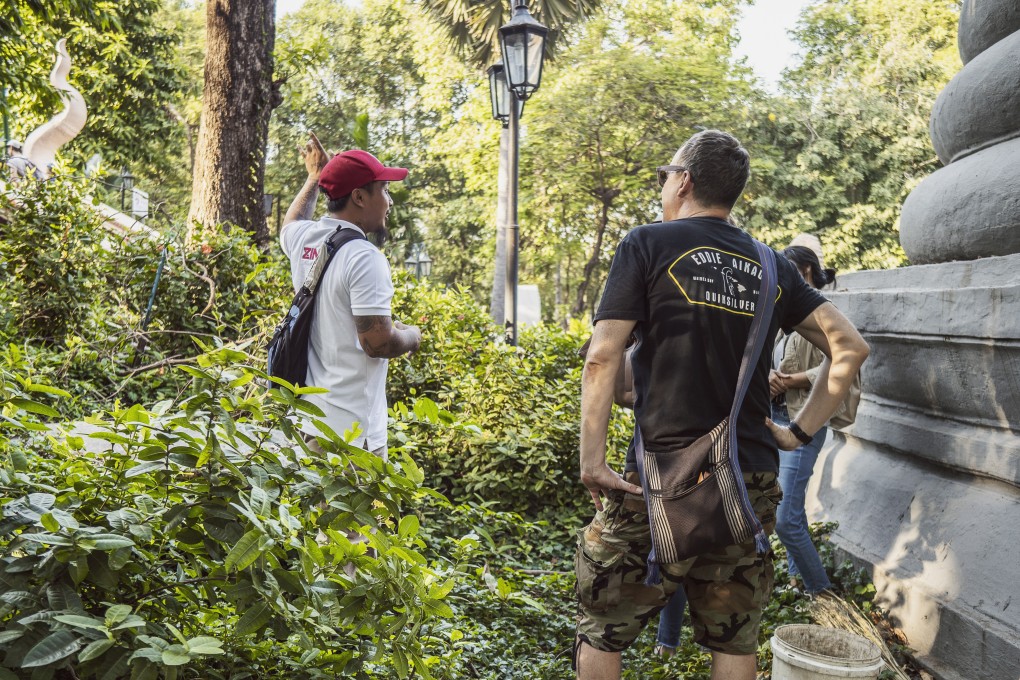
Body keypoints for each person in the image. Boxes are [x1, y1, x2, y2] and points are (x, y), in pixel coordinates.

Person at [575, 129, 869, 680]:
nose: (664, 186)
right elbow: (850, 348)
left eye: (666, 175)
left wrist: (592, 461)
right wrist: (797, 434)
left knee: (603, 626)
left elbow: (602, 357)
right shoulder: (771, 264)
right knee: (733, 639)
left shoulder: (646, 244)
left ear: (684, 180)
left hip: (653, 479)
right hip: (747, 475)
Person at [280, 135, 421, 456]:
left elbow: (292, 222)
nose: (389, 200)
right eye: (384, 190)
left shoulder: (306, 239)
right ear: (359, 196)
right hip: (352, 437)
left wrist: (313, 178)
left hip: (309, 422)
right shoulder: (364, 257)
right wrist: (412, 336)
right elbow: (378, 343)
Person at [769, 244, 843, 594]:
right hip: (775, 415)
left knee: (786, 521)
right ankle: (797, 582)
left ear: (807, 271)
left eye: (788, 269)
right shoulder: (784, 314)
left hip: (804, 421)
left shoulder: (824, 313)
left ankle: (822, 593)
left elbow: (843, 365)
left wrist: (793, 380)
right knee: (785, 510)